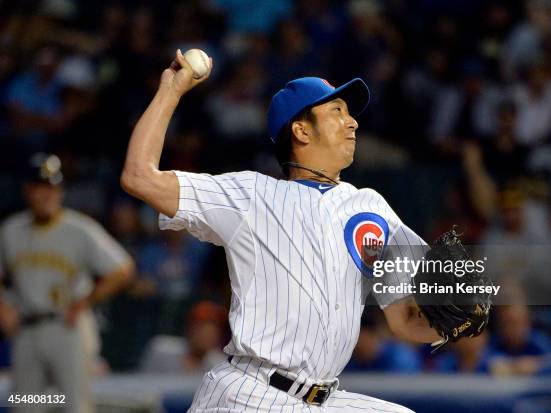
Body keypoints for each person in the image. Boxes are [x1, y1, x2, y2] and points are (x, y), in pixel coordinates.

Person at [121, 49, 441, 412]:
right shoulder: (250, 194)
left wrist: (453, 322)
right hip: (250, 394)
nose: (352, 122)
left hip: (325, 398)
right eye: (337, 111)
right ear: (301, 130)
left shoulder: (370, 206)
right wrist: (171, 91)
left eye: (350, 113)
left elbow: (405, 323)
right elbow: (139, 177)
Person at [0, 153, 135, 413]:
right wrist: (3, 308)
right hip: (27, 328)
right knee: (25, 405)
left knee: (75, 406)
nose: (48, 194)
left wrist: (85, 302)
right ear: (28, 190)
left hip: (67, 327)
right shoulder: (11, 230)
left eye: (53, 187)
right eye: (41, 187)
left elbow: (123, 268)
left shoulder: (79, 228)